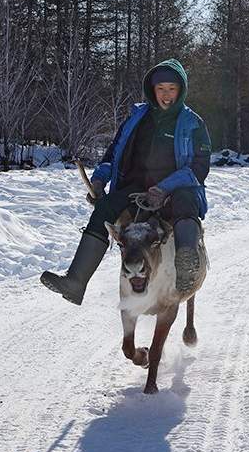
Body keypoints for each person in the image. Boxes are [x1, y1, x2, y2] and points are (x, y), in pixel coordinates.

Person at [41, 59, 212, 304]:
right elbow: (113, 153)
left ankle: (186, 271)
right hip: (135, 188)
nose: (166, 95)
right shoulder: (137, 118)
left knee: (186, 204)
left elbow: (199, 168)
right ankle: (76, 281)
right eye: (161, 88)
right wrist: (99, 180)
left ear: (181, 90)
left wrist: (165, 188)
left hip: (178, 190)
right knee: (105, 208)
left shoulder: (193, 123)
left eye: (172, 89)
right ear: (152, 90)